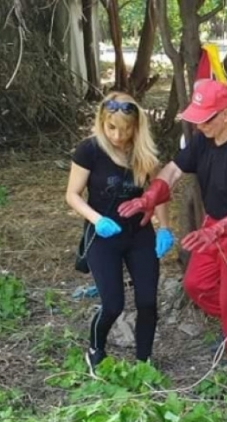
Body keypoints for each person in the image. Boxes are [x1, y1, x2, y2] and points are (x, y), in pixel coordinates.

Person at [118, 79, 227, 369]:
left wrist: (219, 229)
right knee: (196, 284)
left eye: (207, 119)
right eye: (197, 119)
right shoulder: (203, 139)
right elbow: (173, 171)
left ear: (225, 114)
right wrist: (150, 196)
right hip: (211, 221)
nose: (200, 126)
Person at [65, 92, 175, 374]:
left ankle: (143, 362)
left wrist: (164, 228)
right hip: (104, 236)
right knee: (113, 304)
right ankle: (95, 350)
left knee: (147, 301)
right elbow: (72, 195)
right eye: (111, 128)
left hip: (139, 235)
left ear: (136, 127)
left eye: (126, 129)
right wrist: (96, 219)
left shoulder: (144, 153)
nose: (118, 135)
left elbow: (158, 192)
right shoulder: (88, 150)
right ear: (102, 122)